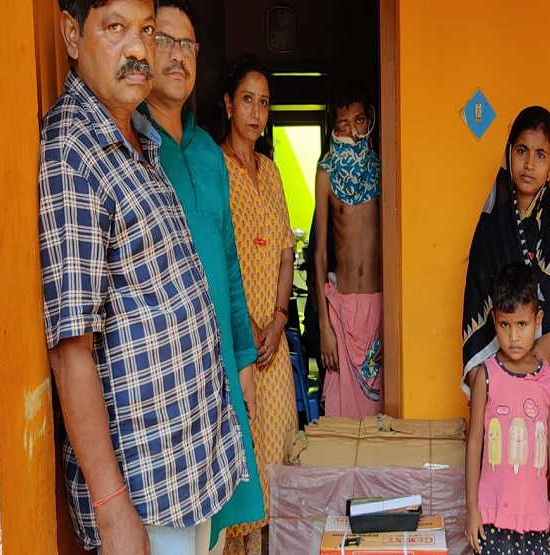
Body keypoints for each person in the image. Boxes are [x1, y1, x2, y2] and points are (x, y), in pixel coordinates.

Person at [40, 1, 247, 554]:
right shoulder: (73, 153)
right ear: (72, 34)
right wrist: (112, 511)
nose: (138, 49)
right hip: (144, 491)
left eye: (146, 30)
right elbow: (70, 350)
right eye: (115, 28)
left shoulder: (137, 138)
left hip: (187, 468)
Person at [139, 2, 264, 554]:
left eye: (187, 46)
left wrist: (244, 362)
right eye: (165, 41)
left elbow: (230, 263)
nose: (178, 56)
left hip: (218, 371)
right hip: (165, 380)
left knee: (210, 534)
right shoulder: (132, 148)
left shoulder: (210, 157)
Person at [461, 106, 550, 554]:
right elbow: (475, 307)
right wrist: (492, 378)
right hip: (500, 387)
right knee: (503, 484)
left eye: (540, 154)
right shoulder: (490, 229)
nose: (528, 163)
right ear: (508, 152)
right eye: (521, 150)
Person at [219, 54, 298, 555]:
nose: (255, 112)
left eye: (264, 103)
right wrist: (246, 323)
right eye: (247, 100)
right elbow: (216, 256)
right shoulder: (214, 169)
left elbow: (287, 252)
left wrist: (279, 318)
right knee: (242, 463)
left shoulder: (270, 172)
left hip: (273, 343)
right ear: (228, 104)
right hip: (236, 343)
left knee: (277, 462)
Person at [464, 263, 550, 554]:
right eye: (504, 325)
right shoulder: (485, 377)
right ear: (494, 321)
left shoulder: (548, 381)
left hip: (536, 519)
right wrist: (472, 510)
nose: (513, 336)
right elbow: (474, 444)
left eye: (522, 324)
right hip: (491, 518)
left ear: (538, 319)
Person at [312, 83, 383, 418]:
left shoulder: (383, 170)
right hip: (341, 315)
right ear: (333, 128)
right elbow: (319, 254)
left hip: (377, 309)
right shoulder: (325, 174)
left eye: (359, 122)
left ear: (369, 120)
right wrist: (324, 327)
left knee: (379, 418)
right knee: (341, 419)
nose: (353, 133)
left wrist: (390, 320)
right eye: (344, 125)